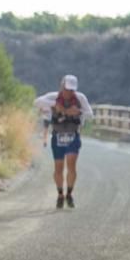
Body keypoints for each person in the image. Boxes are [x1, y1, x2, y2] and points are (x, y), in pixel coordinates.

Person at [33, 74, 93, 208]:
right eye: (67, 89)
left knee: (71, 166)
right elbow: (36, 102)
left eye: (72, 90)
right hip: (57, 135)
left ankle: (69, 193)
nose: (69, 93)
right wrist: (56, 105)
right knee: (58, 168)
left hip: (73, 135)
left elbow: (90, 114)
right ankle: (60, 194)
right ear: (61, 86)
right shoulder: (53, 97)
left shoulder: (80, 98)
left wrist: (78, 112)